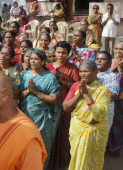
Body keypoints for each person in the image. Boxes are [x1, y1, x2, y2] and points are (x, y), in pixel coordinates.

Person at [63, 61, 110, 170]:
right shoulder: (76, 85)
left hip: (95, 133)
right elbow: (65, 107)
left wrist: (85, 94)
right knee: (76, 160)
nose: (82, 74)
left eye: (86, 71)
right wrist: (79, 94)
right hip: (78, 129)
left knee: (92, 163)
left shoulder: (103, 90)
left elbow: (99, 114)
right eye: (81, 71)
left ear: (95, 72)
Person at [20, 50, 61, 170]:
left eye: (36, 59)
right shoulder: (25, 75)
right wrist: (29, 90)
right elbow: (19, 96)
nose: (32, 61)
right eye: (31, 59)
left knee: (41, 145)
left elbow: (54, 99)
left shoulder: (49, 77)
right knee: (26, 145)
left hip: (42, 118)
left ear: (43, 61)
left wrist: (36, 92)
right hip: (26, 115)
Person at [46, 41, 80, 170]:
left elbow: (78, 88)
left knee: (65, 137)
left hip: (66, 108)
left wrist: (63, 81)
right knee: (50, 137)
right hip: (49, 108)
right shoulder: (48, 67)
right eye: (58, 52)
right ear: (55, 52)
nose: (60, 55)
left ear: (68, 54)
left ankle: (62, 164)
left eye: (64, 53)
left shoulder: (73, 68)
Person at [95, 51, 119, 130]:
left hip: (104, 111)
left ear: (109, 64)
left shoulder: (111, 76)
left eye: (103, 59)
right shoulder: (91, 73)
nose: (99, 61)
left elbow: (113, 96)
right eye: (97, 59)